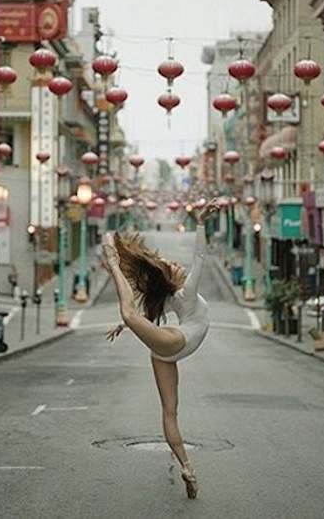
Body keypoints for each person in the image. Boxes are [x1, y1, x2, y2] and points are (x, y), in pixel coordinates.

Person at [100, 198, 220, 499]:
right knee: (168, 414)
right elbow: (200, 257)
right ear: (172, 279)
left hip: (167, 349)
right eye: (174, 267)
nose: (179, 265)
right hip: (174, 344)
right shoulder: (185, 294)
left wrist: (129, 325)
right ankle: (113, 263)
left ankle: (188, 469)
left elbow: (148, 321)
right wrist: (201, 224)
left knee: (170, 413)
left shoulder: (175, 298)